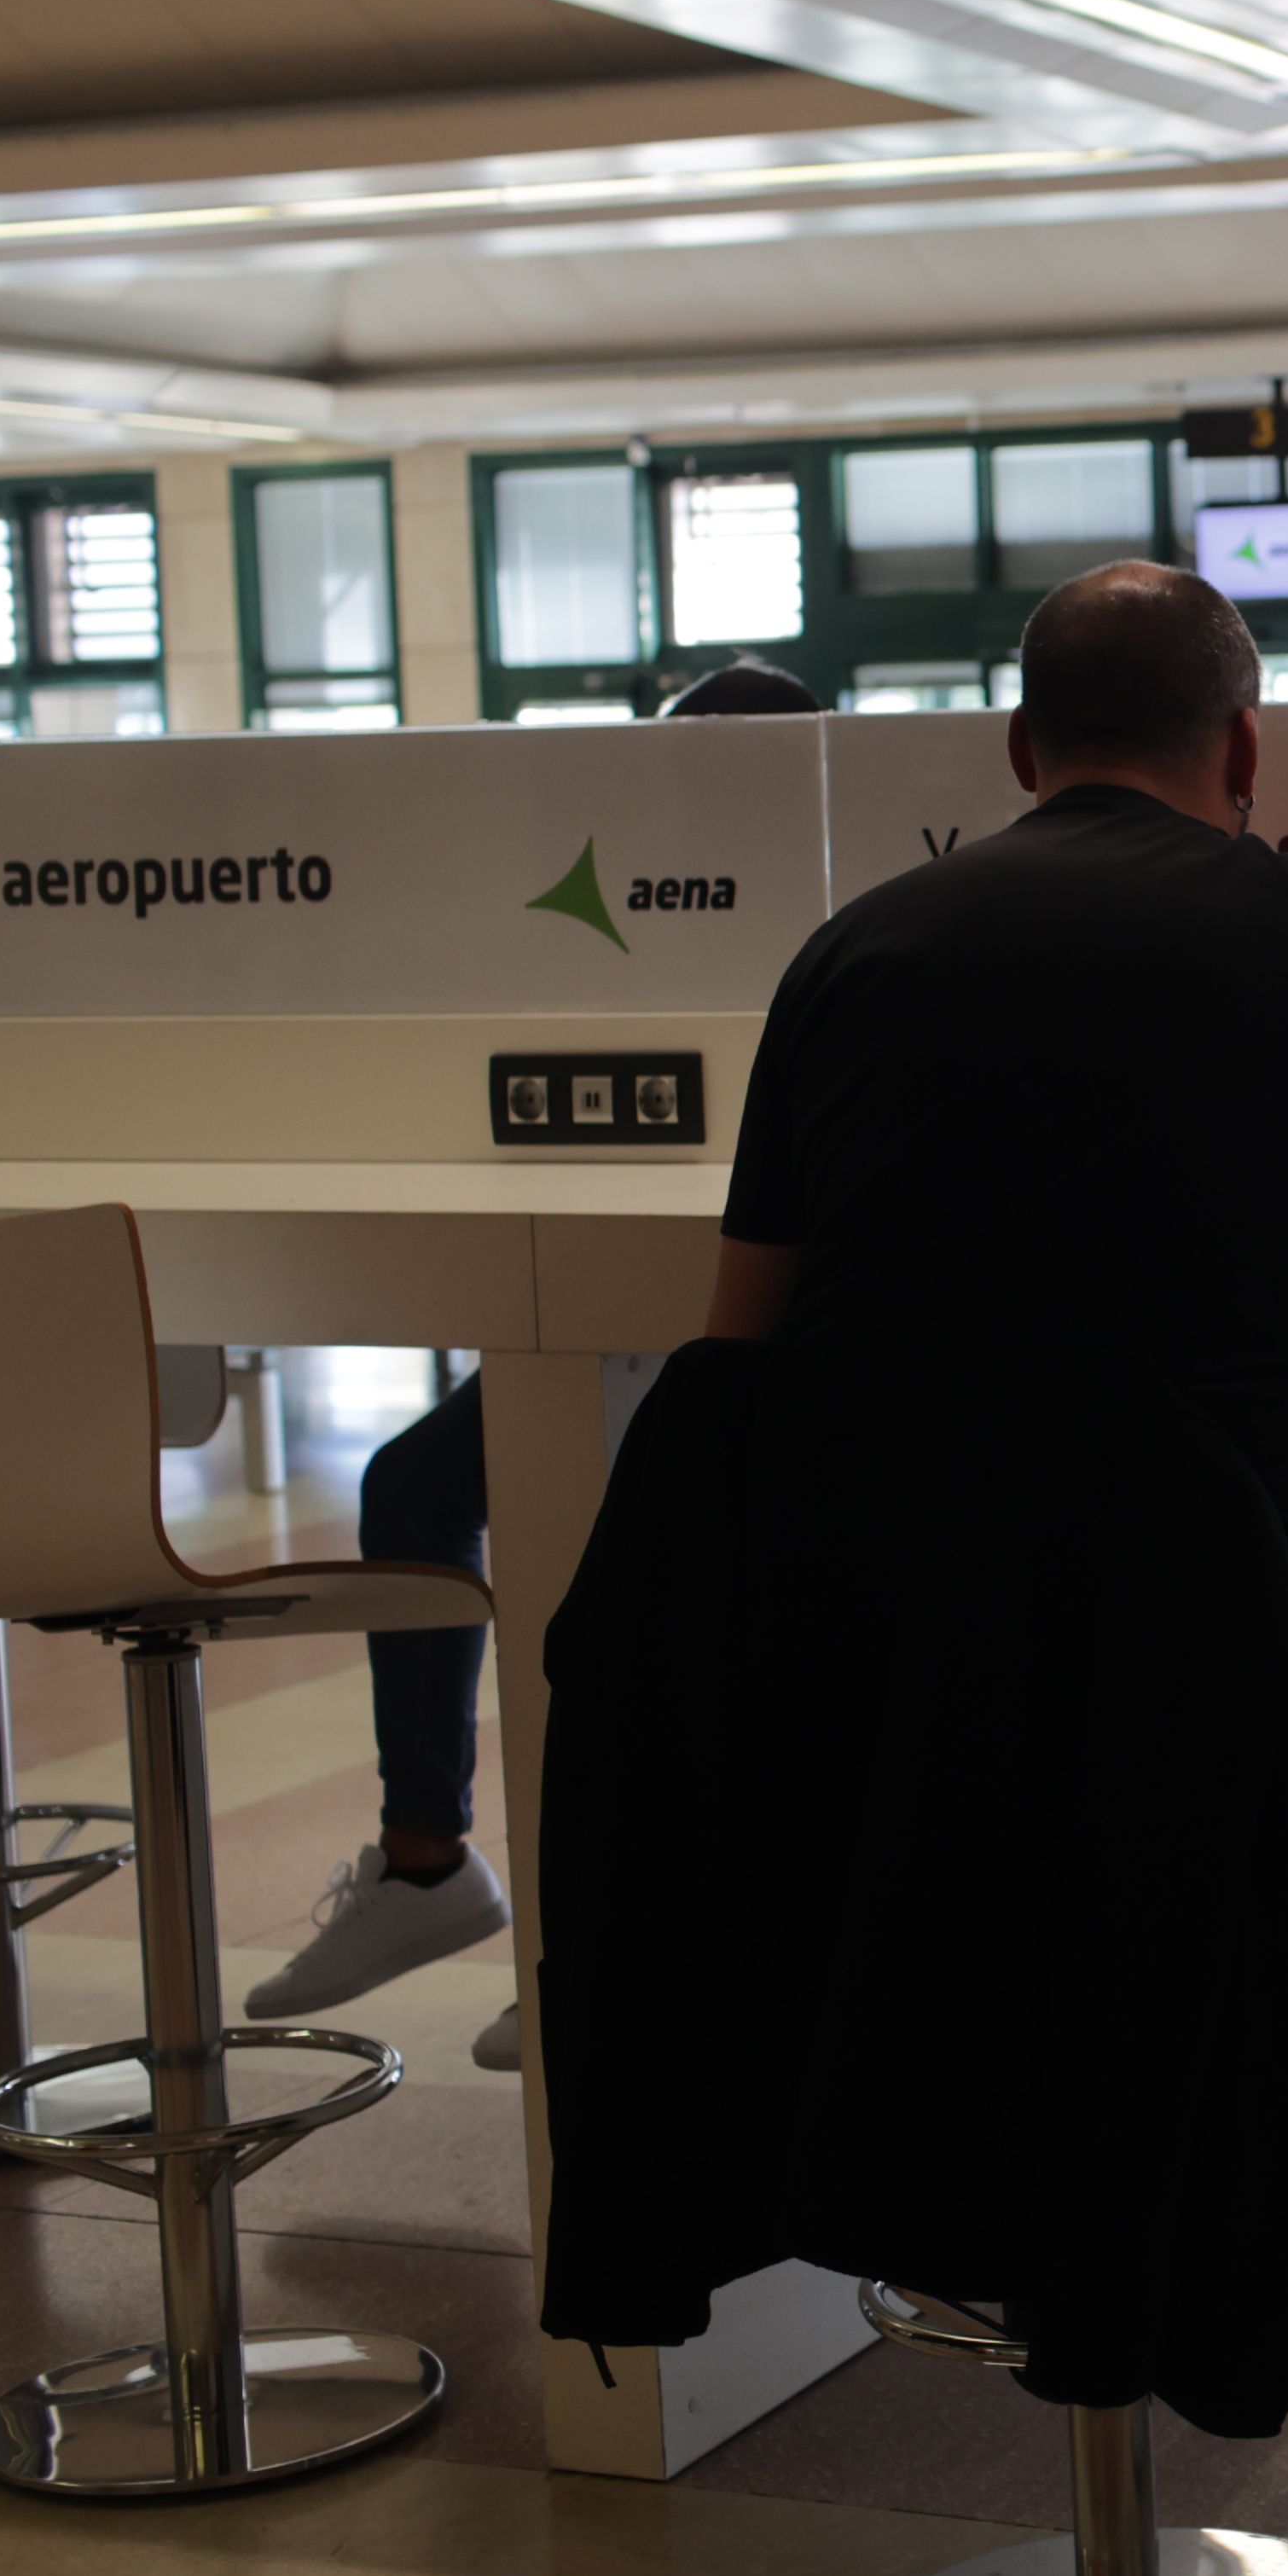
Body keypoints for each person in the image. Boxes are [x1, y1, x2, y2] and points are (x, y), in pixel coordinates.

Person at [698, 563, 1288, 2019]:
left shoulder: (852, 953)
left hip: (893, 1585)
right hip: (1209, 1587)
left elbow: (740, 1342)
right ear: (1244, 748)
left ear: (1023, 753)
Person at [247, 657, 829, 2062]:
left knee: (604, 1564)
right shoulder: (650, 900)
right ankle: (438, 1863)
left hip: (780, 1338)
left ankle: (592, 1936)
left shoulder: (833, 912)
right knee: (431, 1489)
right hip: (634, 1301)